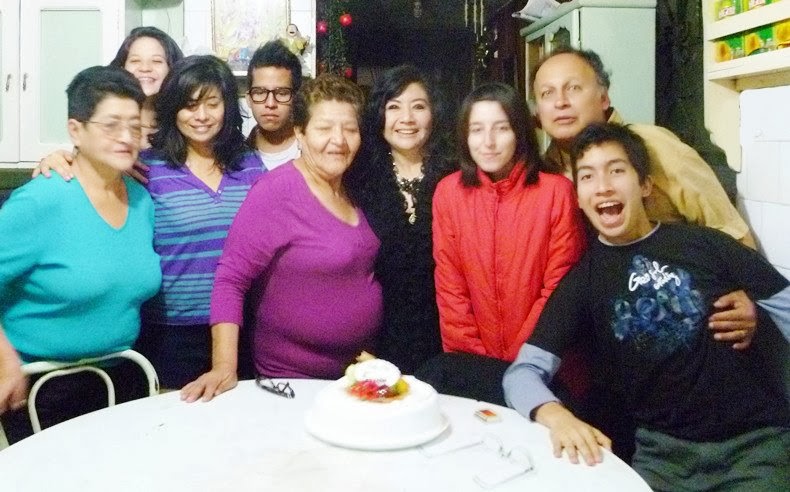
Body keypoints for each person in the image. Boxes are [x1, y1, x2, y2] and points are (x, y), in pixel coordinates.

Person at [503, 123, 790, 491]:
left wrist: (760, 315)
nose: (603, 186)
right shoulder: (583, 281)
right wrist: (558, 417)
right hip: (662, 460)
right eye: (587, 176)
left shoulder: (706, 244)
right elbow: (522, 374)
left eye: (616, 171)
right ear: (578, 197)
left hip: (754, 449)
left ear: (645, 185)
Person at [532, 46, 759, 348]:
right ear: (538, 112)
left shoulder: (654, 146)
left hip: (687, 322)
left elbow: (730, 229)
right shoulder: (545, 174)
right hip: (607, 330)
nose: (560, 102)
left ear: (603, 97)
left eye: (573, 88)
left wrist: (749, 295)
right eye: (547, 93)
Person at [181, 74, 382, 403]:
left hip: (351, 378)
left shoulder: (353, 189)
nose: (339, 140)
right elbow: (230, 279)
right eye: (324, 128)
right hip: (291, 384)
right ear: (300, 132)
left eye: (350, 129)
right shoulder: (276, 191)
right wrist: (224, 367)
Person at [0, 66, 161, 443]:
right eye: (111, 125)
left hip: (123, 378)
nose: (127, 137)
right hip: (43, 390)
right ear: (76, 130)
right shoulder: (42, 201)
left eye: (134, 126)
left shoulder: (141, 200)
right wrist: (4, 359)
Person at [427, 82, 586, 405]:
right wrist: (478, 364)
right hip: (473, 366)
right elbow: (450, 285)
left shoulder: (556, 192)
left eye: (501, 128)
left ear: (520, 132)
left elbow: (559, 288)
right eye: (477, 130)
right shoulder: (449, 192)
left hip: (542, 363)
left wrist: (520, 360)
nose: (488, 142)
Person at [134, 55, 264, 389]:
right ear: (172, 109)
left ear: (228, 107)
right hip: (170, 333)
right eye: (190, 106)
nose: (202, 116)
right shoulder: (146, 168)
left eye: (212, 104)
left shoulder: (251, 166)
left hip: (242, 326)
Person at [346, 65, 456, 374]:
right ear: (379, 115)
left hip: (446, 339)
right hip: (375, 343)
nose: (406, 118)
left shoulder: (456, 176)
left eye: (418, 107)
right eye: (394, 107)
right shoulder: (358, 179)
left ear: (434, 114)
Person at [33, 26, 184, 179]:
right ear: (122, 67)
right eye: (135, 60)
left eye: (157, 61)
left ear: (172, 68)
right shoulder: (98, 121)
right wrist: (56, 161)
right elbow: (80, 167)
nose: (145, 68)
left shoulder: (183, 123)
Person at [245, 40, 303, 170]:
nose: (270, 104)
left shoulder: (312, 149)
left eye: (282, 93)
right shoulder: (236, 159)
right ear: (249, 98)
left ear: (296, 98)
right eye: (260, 92)